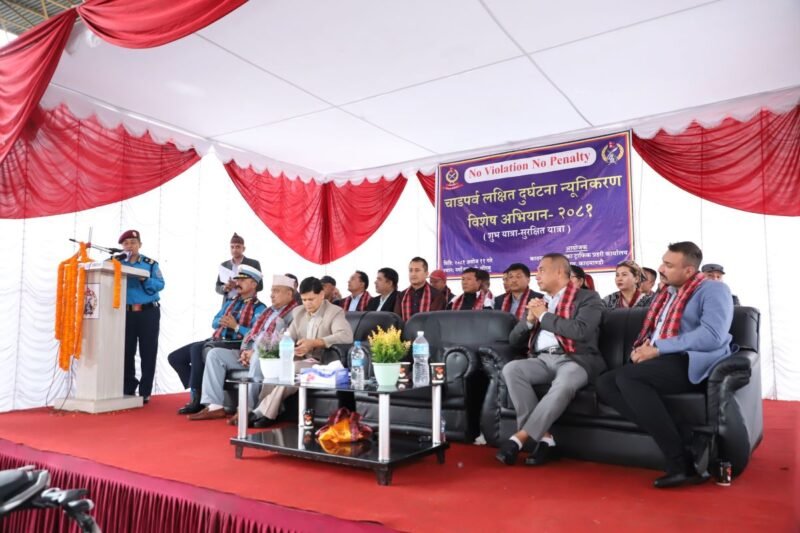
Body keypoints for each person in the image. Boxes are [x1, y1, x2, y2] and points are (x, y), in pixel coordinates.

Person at [596, 242, 735, 488]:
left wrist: (658, 348)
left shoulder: (713, 290)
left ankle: (681, 464)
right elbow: (657, 329)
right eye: (663, 262)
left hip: (690, 359)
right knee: (604, 383)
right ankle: (686, 436)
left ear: (689, 271)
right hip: (662, 358)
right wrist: (644, 347)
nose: (661, 268)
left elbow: (713, 335)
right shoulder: (668, 293)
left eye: (669, 265)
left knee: (629, 379)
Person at [496, 253, 605, 467]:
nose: (537, 275)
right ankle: (546, 439)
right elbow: (514, 340)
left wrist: (544, 316)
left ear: (559, 272)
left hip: (576, 359)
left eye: (541, 270)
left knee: (564, 383)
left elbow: (581, 331)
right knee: (512, 369)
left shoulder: (588, 298)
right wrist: (529, 320)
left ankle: (520, 438)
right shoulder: (540, 302)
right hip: (542, 359)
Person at [245, 277, 354, 427]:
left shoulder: (334, 312)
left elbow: (345, 336)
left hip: (322, 363)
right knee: (276, 366)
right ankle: (264, 408)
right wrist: (288, 347)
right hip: (300, 359)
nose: (307, 304)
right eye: (304, 300)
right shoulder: (299, 312)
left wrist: (315, 342)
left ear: (322, 295)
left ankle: (263, 413)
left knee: (292, 368)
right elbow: (289, 336)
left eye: (311, 299)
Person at [188, 275, 298, 421]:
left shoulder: (295, 313)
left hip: (269, 357)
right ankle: (215, 406)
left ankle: (247, 409)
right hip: (248, 351)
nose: (271, 295)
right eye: (272, 290)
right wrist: (245, 351)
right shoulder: (268, 311)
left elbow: (283, 340)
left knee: (258, 355)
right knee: (214, 354)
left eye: (276, 291)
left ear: (289, 293)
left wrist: (254, 351)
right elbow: (252, 333)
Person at [168, 264, 266, 415]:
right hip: (218, 339)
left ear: (254, 284)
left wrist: (236, 327)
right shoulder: (231, 302)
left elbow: (257, 335)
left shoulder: (260, 308)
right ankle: (199, 389)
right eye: (237, 279)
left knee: (197, 349)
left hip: (236, 343)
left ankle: (197, 398)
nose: (238, 283)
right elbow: (214, 322)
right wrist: (221, 321)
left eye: (243, 280)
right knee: (175, 357)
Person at [119, 229, 165, 404]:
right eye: (126, 243)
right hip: (126, 313)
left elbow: (160, 284)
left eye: (133, 242)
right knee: (126, 351)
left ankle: (145, 391)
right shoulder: (116, 262)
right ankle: (128, 387)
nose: (129, 246)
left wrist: (145, 279)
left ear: (140, 245)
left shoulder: (150, 264)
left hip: (148, 312)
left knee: (148, 351)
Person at [215, 233, 262, 304]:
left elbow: (260, 286)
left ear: (243, 249)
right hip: (228, 304)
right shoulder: (224, 265)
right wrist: (225, 288)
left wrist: (238, 285)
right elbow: (217, 287)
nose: (234, 250)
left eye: (238, 247)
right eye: (232, 247)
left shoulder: (253, 264)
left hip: (247, 304)